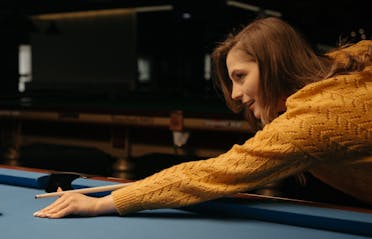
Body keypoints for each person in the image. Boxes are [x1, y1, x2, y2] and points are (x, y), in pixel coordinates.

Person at [34, 17, 372, 219]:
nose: (237, 95)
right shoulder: (340, 71)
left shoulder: (310, 121)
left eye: (240, 76)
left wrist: (102, 204)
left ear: (274, 66)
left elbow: (213, 174)